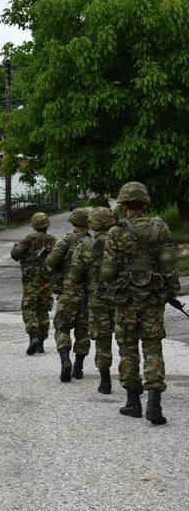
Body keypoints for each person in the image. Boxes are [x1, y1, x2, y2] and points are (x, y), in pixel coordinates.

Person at [102, 181, 179, 425]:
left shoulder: (115, 232)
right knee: (152, 345)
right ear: (144, 203)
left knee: (127, 347)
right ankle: (154, 401)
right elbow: (168, 264)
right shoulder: (160, 227)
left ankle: (133, 403)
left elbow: (107, 272)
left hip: (125, 299)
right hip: (153, 297)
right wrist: (171, 290)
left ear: (124, 205)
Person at [64, 207, 116, 394]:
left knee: (102, 339)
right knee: (128, 341)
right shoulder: (122, 241)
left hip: (97, 299)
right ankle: (133, 382)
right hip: (122, 298)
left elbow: (74, 278)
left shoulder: (84, 246)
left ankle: (105, 381)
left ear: (92, 224)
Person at [46, 207, 92, 382]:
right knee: (83, 331)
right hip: (86, 294)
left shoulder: (66, 240)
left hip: (67, 291)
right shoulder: (92, 243)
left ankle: (66, 361)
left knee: (62, 328)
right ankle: (78, 367)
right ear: (88, 224)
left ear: (73, 223)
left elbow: (50, 262)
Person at [10, 212, 56, 355]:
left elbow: (15, 255)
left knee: (28, 308)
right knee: (43, 310)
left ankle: (33, 336)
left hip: (31, 281)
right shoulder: (53, 241)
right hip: (47, 280)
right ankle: (41, 343)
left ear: (34, 226)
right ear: (47, 225)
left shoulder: (28, 239)